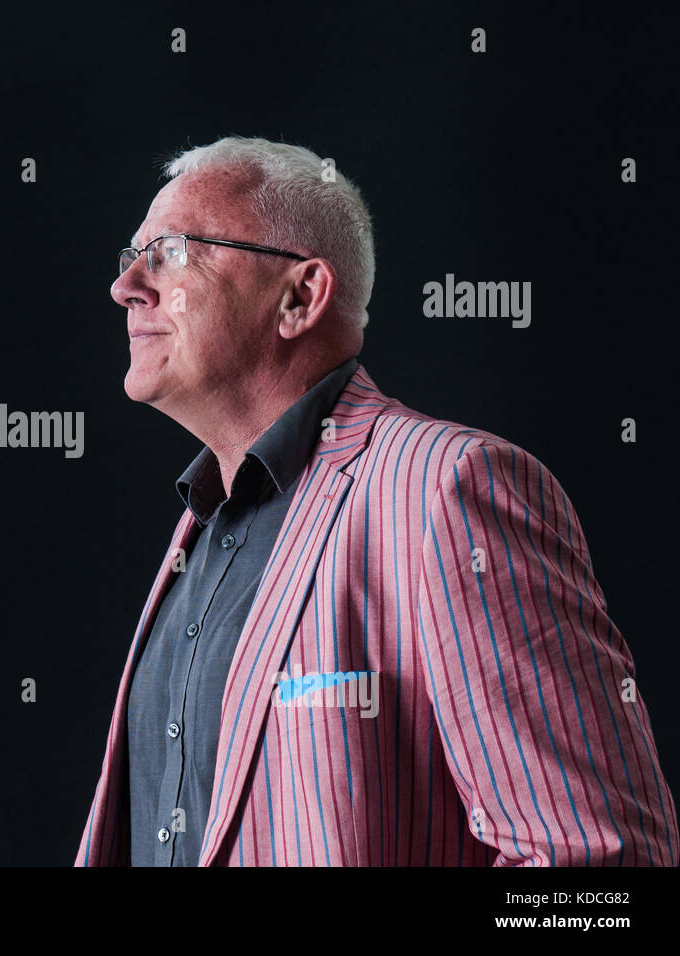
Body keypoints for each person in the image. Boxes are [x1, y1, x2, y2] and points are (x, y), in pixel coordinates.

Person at [76, 136, 677, 866]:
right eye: (130, 256)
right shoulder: (199, 528)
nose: (126, 286)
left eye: (171, 250)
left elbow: (600, 871)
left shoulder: (451, 489)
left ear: (300, 296)